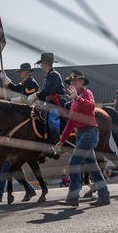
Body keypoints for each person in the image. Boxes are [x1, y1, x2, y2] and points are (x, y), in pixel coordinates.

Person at [51, 69, 111, 207]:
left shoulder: (86, 94)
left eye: (76, 80)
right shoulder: (73, 101)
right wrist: (61, 140)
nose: (73, 82)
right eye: (71, 81)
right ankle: (104, 196)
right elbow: (71, 123)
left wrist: (77, 98)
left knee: (74, 163)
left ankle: (73, 198)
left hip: (89, 133)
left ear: (82, 81)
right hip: (83, 135)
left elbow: (91, 107)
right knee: (93, 168)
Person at [31, 51, 64, 149]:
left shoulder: (54, 74)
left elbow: (49, 90)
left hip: (56, 104)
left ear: (45, 63)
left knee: (52, 119)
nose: (41, 65)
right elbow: (45, 92)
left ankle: (56, 142)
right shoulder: (49, 75)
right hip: (50, 102)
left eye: (41, 63)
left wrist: (36, 94)